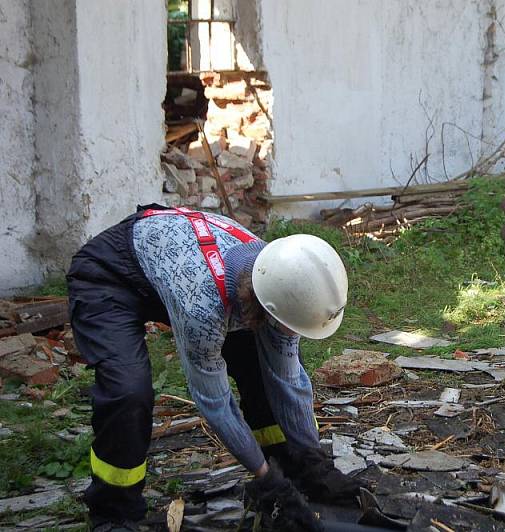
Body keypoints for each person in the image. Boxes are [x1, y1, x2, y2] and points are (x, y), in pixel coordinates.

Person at [67, 204, 363, 531]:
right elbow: (215, 402)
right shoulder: (203, 308)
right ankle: (114, 513)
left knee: (259, 367)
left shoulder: (281, 276)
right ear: (267, 306)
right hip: (112, 274)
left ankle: (296, 468)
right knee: (128, 391)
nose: (292, 334)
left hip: (186, 268)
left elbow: (288, 378)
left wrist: (315, 462)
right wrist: (265, 480)